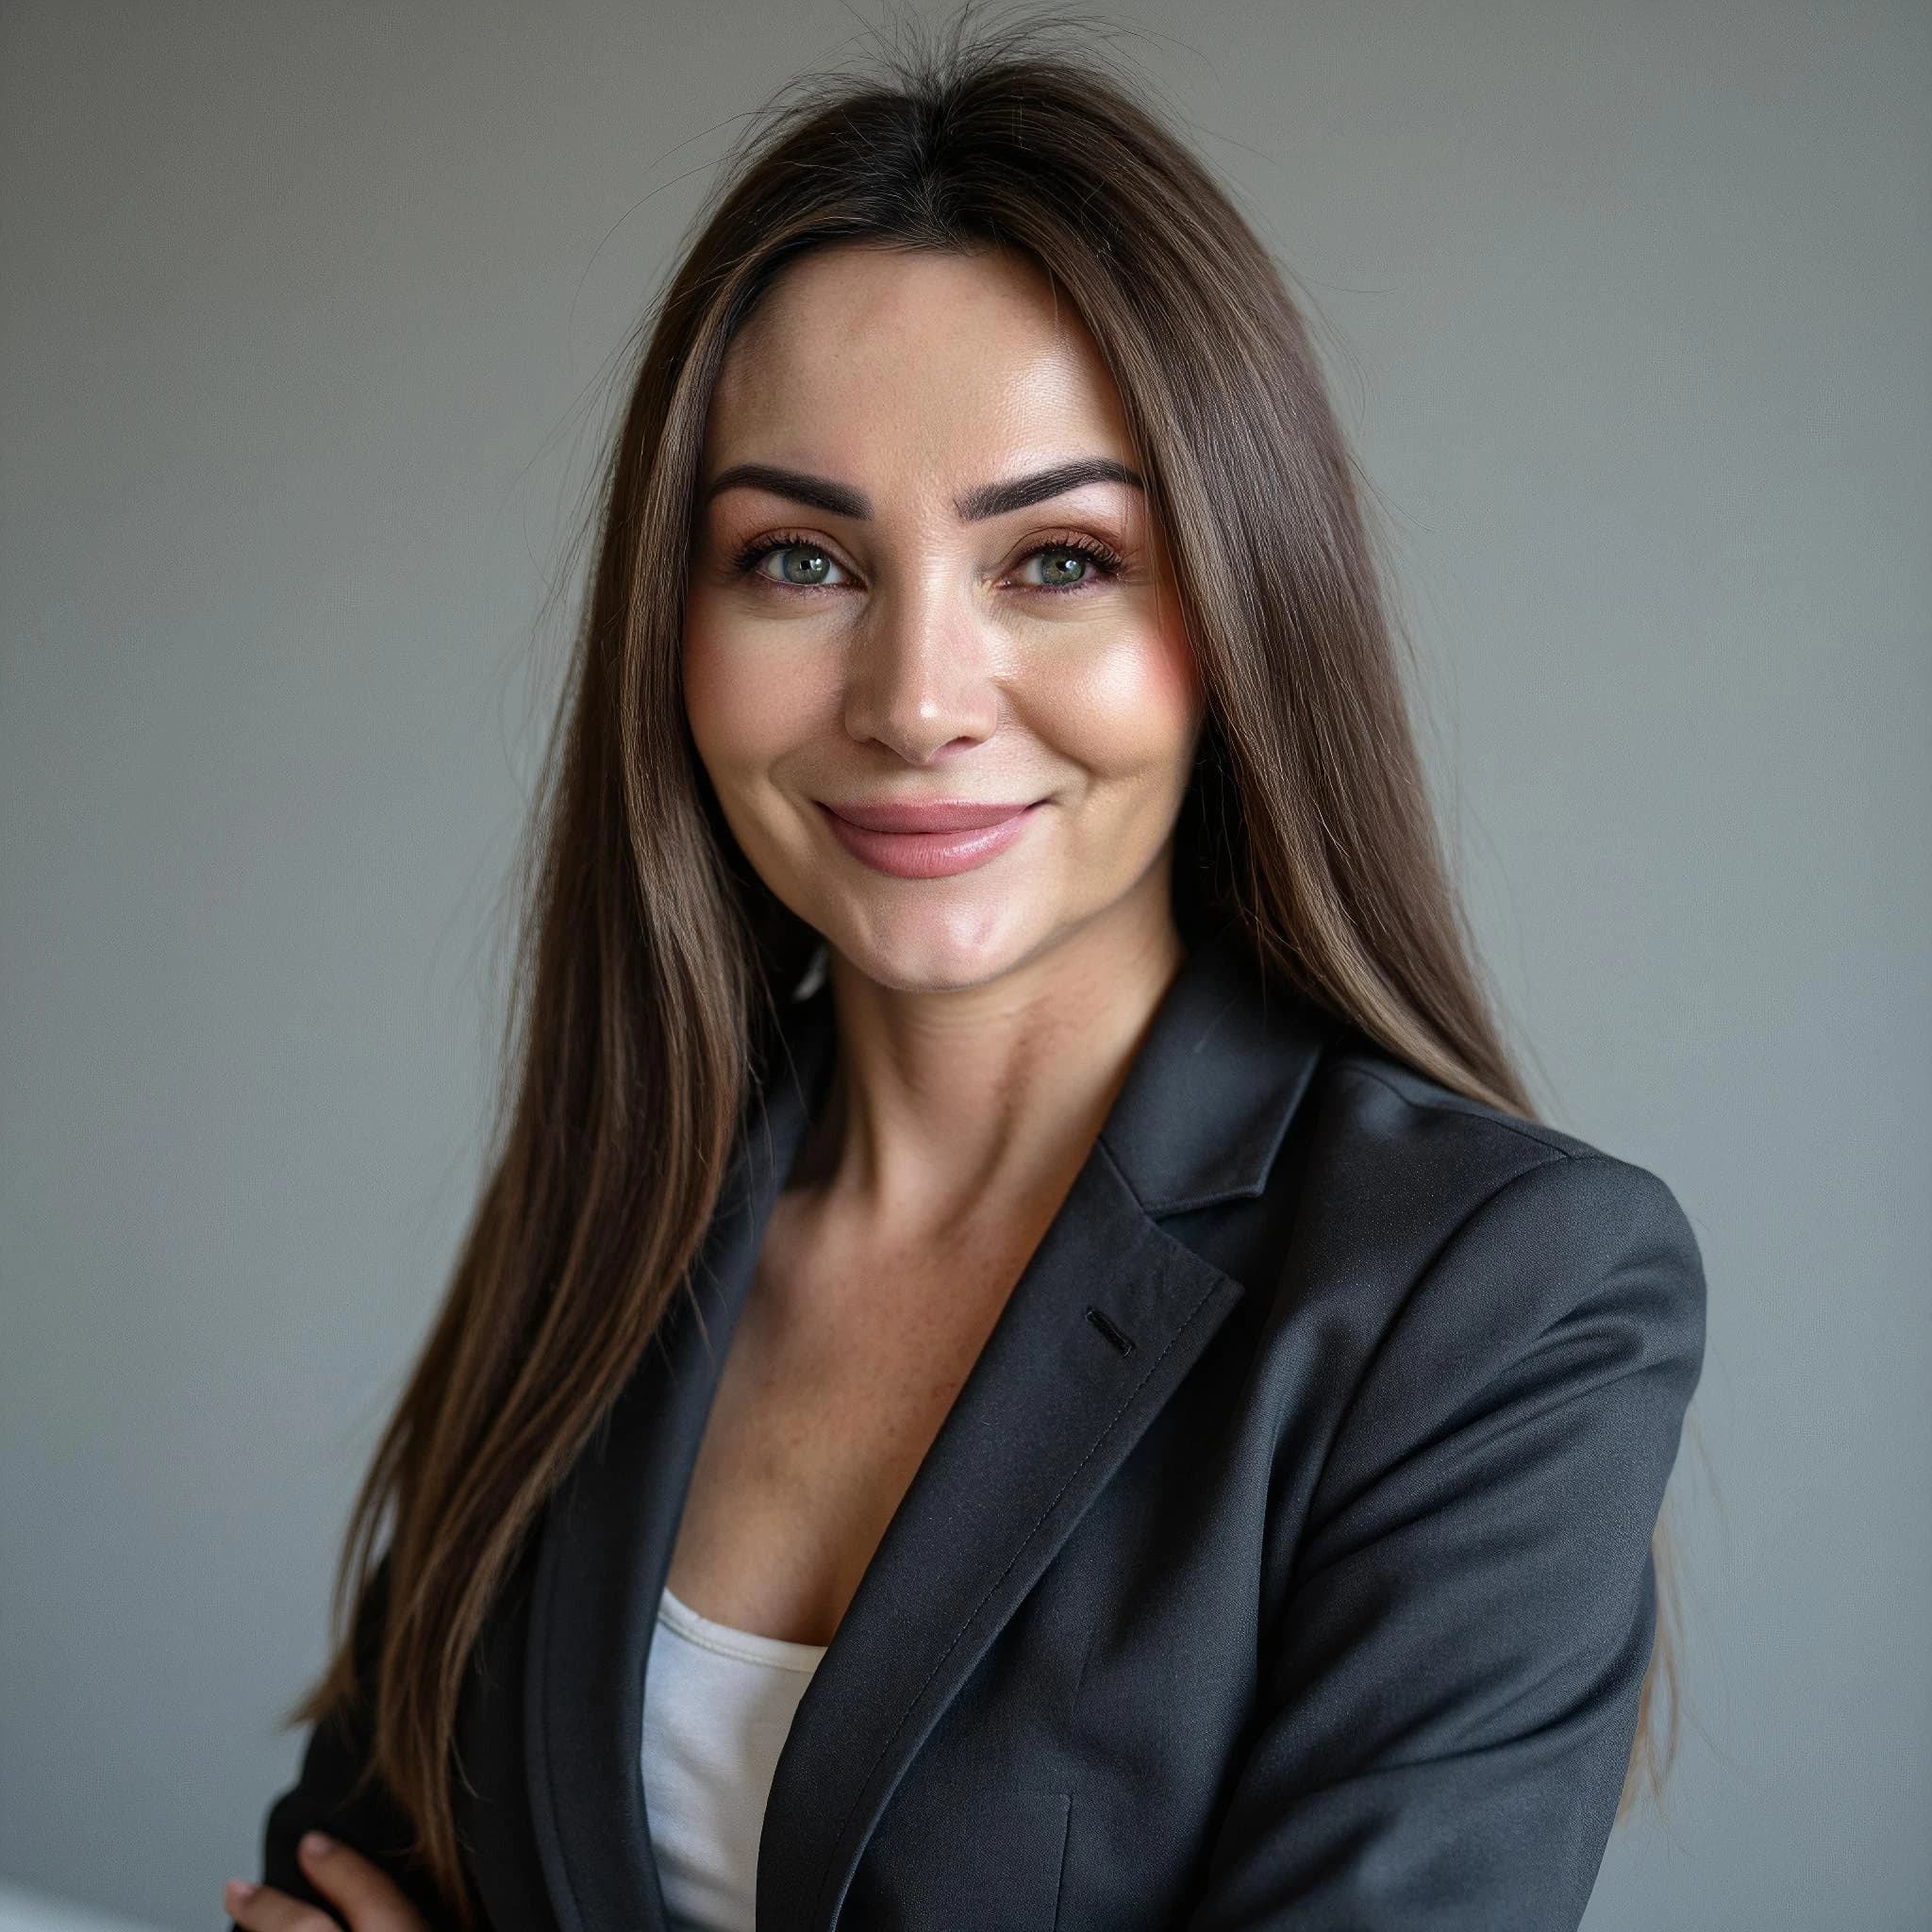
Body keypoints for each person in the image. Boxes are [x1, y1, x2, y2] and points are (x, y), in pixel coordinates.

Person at [225, 14, 1705, 1931]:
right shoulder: (620, 1194)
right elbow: (336, 1866)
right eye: (799, 560)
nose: (915, 702)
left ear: (1244, 612)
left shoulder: (1498, 1295)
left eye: (1059, 560)